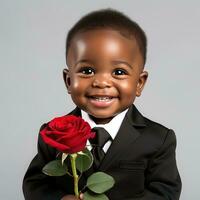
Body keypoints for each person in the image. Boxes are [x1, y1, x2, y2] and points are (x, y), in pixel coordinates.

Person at [23, 8, 181, 200]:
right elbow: (35, 183)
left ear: (139, 83)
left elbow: (165, 193)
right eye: (87, 71)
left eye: (119, 72)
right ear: (68, 81)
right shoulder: (52, 133)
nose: (101, 82)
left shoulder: (158, 139)